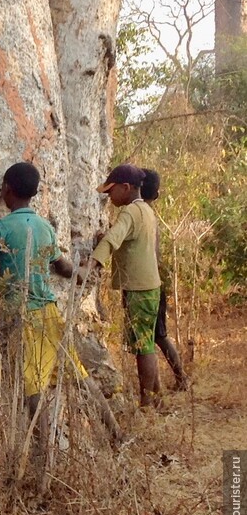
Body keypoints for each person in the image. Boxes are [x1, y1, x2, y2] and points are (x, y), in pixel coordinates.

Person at [0, 162, 121, 444]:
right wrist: (83, 272)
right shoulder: (44, 227)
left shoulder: (1, 228)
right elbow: (62, 267)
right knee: (78, 374)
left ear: (7, 190)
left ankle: (43, 452)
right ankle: (116, 434)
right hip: (50, 311)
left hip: (23, 314)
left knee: (32, 386)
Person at [87, 164, 162, 408]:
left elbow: (112, 239)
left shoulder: (129, 213)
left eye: (111, 191)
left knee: (143, 347)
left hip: (139, 288)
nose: (109, 196)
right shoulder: (146, 211)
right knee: (146, 343)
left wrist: (90, 265)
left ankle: (146, 404)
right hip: (148, 286)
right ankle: (156, 398)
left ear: (126, 188)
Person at [140, 168, 189, 390]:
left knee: (155, 338)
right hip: (156, 281)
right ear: (157, 195)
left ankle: (180, 380)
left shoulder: (141, 217)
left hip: (148, 284)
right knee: (155, 337)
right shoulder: (150, 217)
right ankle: (163, 387)